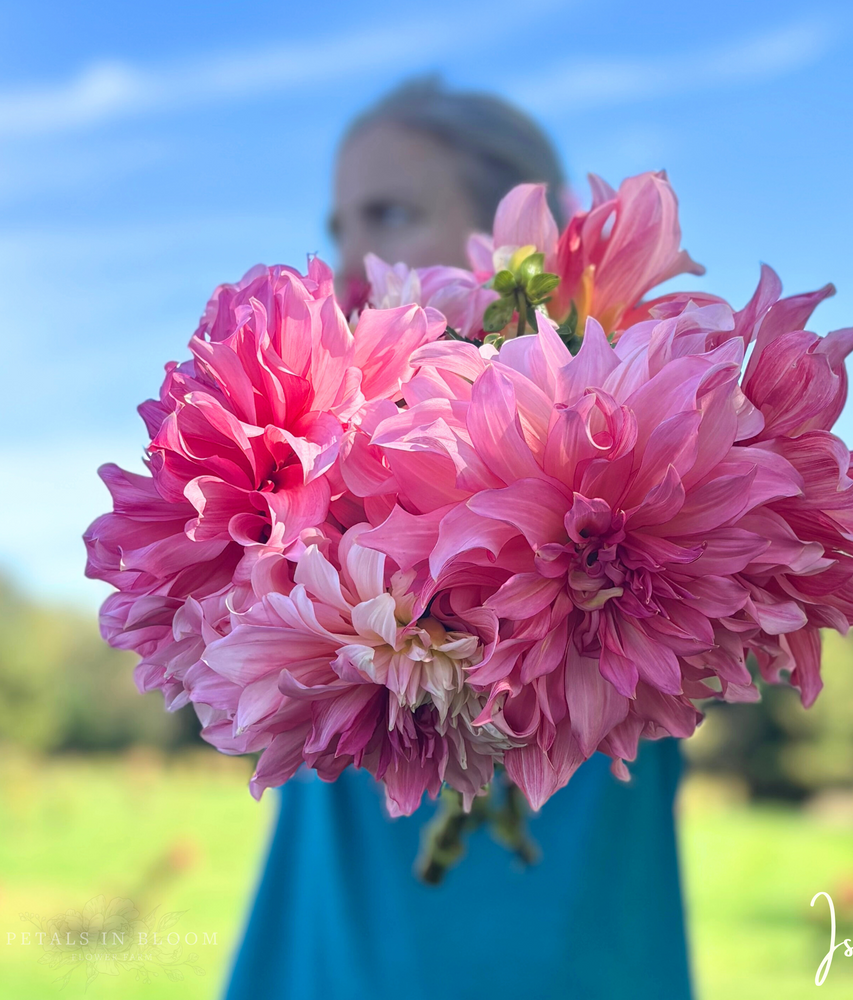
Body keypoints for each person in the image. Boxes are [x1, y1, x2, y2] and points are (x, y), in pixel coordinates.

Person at [222, 78, 694, 1000]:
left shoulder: (647, 448)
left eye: (389, 213)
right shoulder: (310, 457)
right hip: (329, 958)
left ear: (521, 244)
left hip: (586, 957)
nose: (350, 258)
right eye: (338, 226)